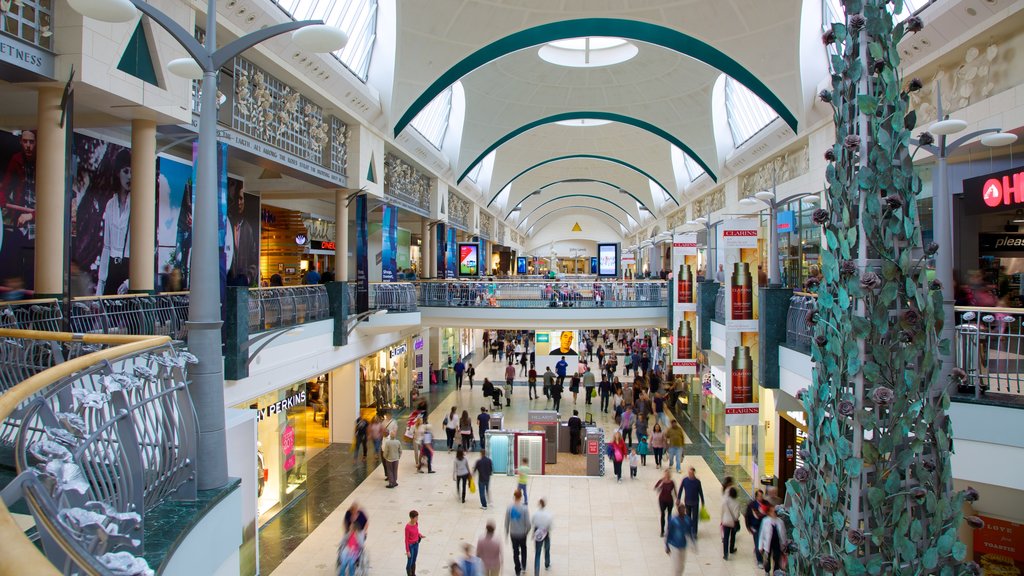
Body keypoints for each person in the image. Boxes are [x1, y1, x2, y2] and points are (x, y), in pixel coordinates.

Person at [97, 149, 132, 295]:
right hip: (112, 267)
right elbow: (106, 246)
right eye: (125, 171)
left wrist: (130, 281)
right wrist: (100, 285)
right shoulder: (110, 205)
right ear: (118, 173)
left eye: (132, 172)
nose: (130, 176)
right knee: (108, 312)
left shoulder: (137, 206)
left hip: (127, 268)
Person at [504, 489, 531, 576]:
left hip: (513, 533)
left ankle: (517, 569)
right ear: (521, 497)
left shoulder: (509, 508)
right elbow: (528, 524)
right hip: (522, 534)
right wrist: (526, 532)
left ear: (514, 496)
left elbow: (506, 522)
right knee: (524, 549)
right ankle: (524, 566)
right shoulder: (524, 508)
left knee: (515, 551)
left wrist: (507, 532)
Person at [759, 500, 788, 575]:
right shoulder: (765, 521)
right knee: (767, 558)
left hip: (777, 543)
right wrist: (760, 546)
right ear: (768, 513)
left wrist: (784, 544)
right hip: (768, 543)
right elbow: (762, 534)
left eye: (774, 511)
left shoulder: (780, 522)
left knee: (777, 558)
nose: (774, 513)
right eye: (771, 511)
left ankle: (776, 572)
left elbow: (783, 533)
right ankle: (767, 571)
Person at [665, 504, 694, 575]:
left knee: (682, 565)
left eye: (684, 510)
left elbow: (689, 532)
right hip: (674, 545)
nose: (683, 511)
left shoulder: (687, 520)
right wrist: (667, 545)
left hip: (683, 545)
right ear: (678, 511)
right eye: (681, 510)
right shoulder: (673, 521)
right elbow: (669, 533)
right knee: (676, 565)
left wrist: (693, 542)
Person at [679, 467, 704, 538]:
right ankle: (688, 530)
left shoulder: (697, 482)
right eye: (689, 473)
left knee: (695, 517)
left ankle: (694, 532)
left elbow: (700, 492)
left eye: (691, 473)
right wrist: (678, 498)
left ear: (694, 473)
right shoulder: (685, 480)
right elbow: (681, 489)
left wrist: (702, 501)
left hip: (695, 502)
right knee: (688, 517)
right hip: (687, 502)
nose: (690, 474)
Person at [532, 499, 552, 576]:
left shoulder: (535, 514)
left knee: (538, 553)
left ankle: (536, 572)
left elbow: (533, 522)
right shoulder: (548, 514)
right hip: (546, 532)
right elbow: (550, 525)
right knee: (547, 549)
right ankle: (547, 564)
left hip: (538, 533)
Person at [746, 489, 766, 568]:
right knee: (758, 544)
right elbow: (748, 516)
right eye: (759, 496)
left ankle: (761, 554)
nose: (761, 498)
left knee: (763, 544)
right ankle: (760, 561)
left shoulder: (766, 504)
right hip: (756, 527)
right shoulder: (752, 505)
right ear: (756, 496)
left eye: (762, 496)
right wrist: (749, 527)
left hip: (764, 527)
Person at [721, 486, 742, 560]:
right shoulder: (737, 503)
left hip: (726, 521)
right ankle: (731, 549)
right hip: (733, 523)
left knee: (726, 538)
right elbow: (736, 515)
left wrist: (722, 519)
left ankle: (725, 554)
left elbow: (722, 510)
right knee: (733, 536)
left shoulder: (725, 501)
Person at [654, 470, 678, 536]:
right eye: (665, 474)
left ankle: (669, 529)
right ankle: (662, 530)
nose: (666, 475)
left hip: (669, 500)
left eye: (667, 474)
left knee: (669, 515)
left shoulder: (672, 482)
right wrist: (660, 485)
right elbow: (655, 488)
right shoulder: (661, 481)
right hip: (662, 500)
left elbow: (675, 491)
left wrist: (677, 499)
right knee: (662, 514)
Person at [405, 510, 423, 576]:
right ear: (411, 518)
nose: (417, 519)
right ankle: (409, 573)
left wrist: (419, 534)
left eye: (417, 517)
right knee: (410, 561)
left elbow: (416, 531)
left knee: (414, 560)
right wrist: (407, 551)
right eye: (416, 517)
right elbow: (406, 539)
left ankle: (413, 574)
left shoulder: (416, 523)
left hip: (416, 544)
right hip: (411, 546)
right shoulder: (407, 527)